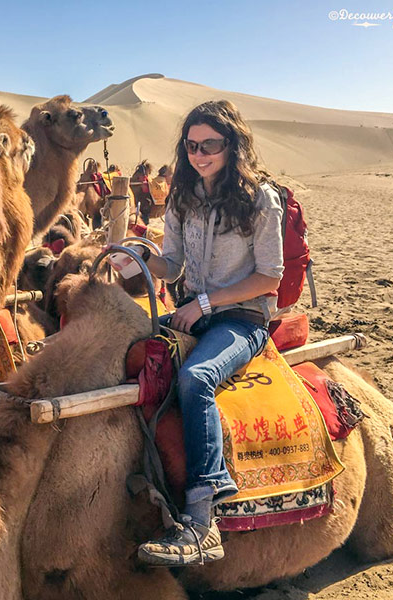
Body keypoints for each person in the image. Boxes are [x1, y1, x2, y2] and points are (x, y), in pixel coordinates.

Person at [113, 100, 284, 566]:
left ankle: (201, 522)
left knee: (196, 378)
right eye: (192, 145)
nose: (200, 154)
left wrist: (206, 303)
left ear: (232, 145)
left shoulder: (259, 199)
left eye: (210, 144)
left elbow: (270, 277)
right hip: (194, 310)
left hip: (242, 320)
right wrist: (141, 261)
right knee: (125, 350)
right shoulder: (183, 198)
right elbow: (173, 266)